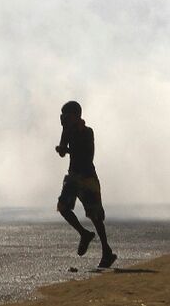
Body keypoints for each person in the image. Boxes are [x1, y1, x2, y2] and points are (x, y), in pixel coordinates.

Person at [55, 101, 116, 268]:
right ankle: (84, 234)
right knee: (63, 207)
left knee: (95, 216)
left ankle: (106, 251)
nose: (63, 119)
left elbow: (88, 155)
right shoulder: (66, 131)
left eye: (66, 115)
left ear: (76, 116)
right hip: (73, 176)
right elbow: (63, 152)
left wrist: (67, 150)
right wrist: (62, 149)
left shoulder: (87, 132)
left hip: (88, 177)